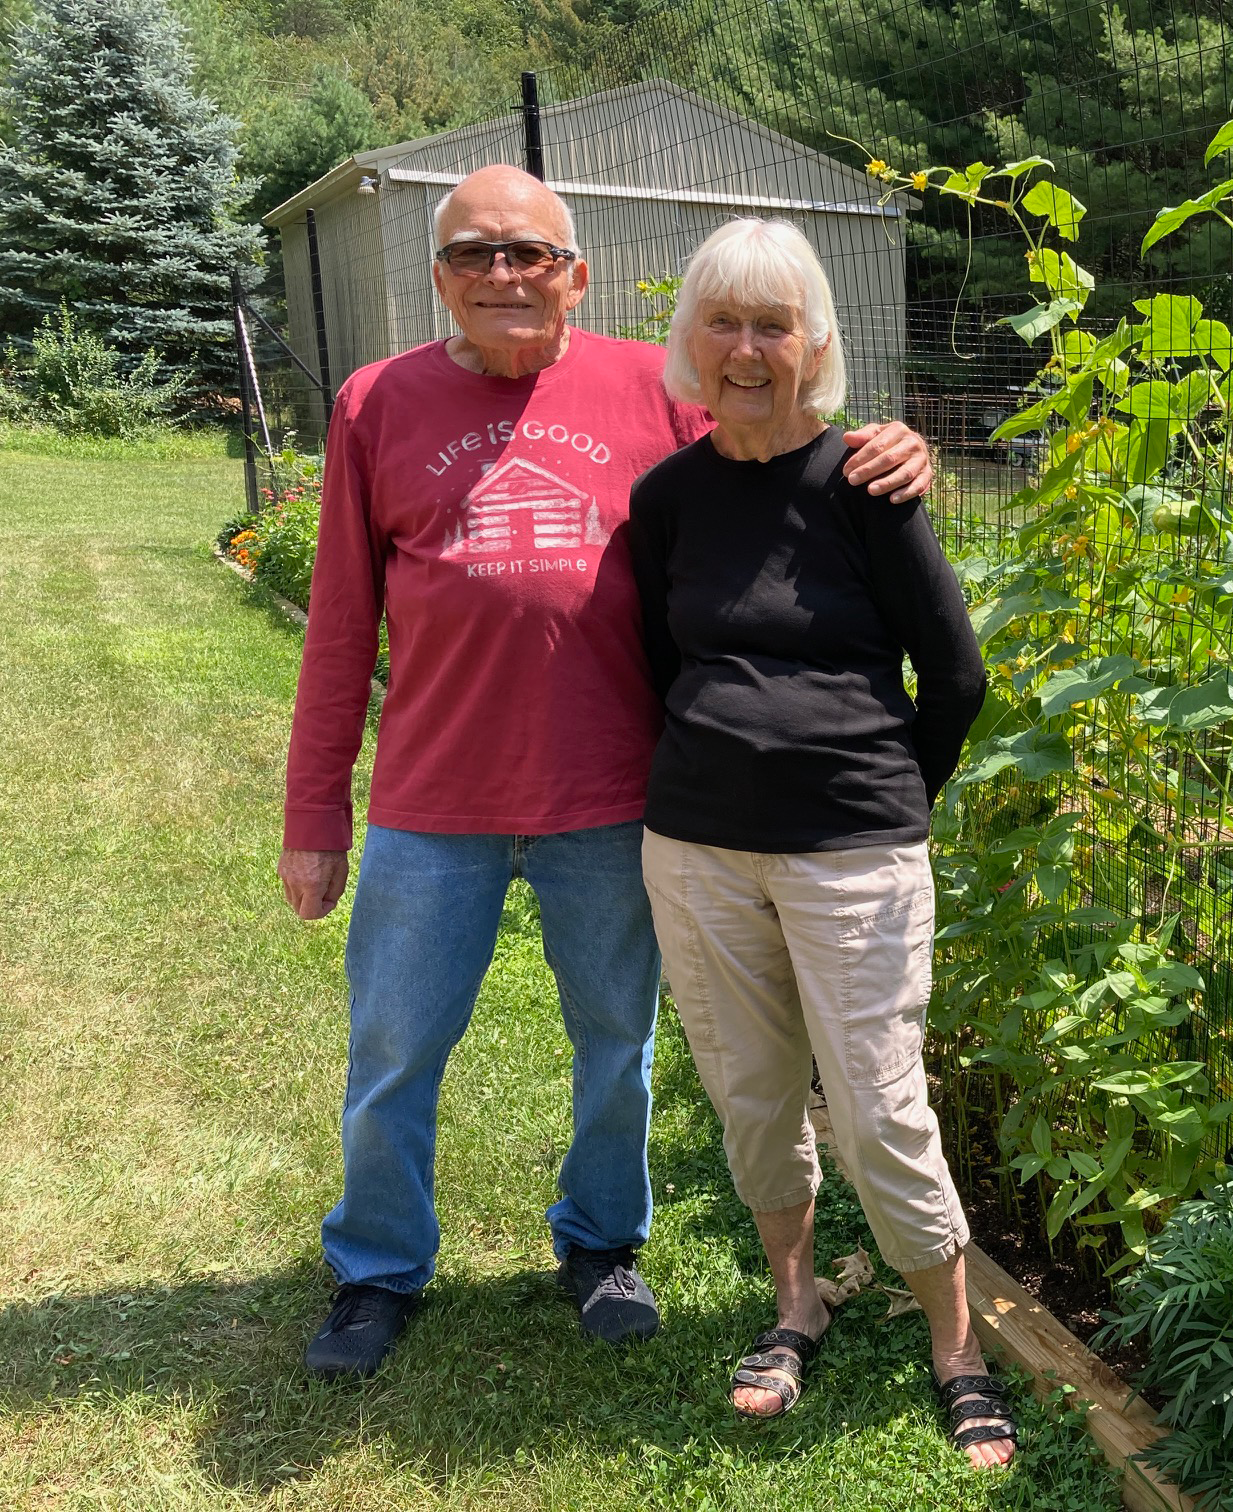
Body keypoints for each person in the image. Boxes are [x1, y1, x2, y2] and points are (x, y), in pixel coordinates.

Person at [277, 163, 936, 1380]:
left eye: (530, 253)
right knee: (393, 1048)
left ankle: (599, 1244)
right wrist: (317, 808)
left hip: (618, 798)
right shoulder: (378, 402)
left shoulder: (657, 385)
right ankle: (375, 1268)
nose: (504, 276)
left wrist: (887, 447)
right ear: (440, 278)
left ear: (574, 272)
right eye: (475, 255)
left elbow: (778, 447)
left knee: (614, 1043)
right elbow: (336, 625)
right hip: (435, 803)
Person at [627, 218, 1016, 1468]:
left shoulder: (868, 482)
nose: (748, 350)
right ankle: (796, 1300)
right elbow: (659, 667)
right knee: (748, 1094)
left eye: (773, 325)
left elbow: (955, 674)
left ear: (815, 345)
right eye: (725, 324)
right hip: (698, 853)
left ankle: (955, 1344)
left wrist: (891, 798)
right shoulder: (667, 499)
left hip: (854, 853)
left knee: (878, 1110)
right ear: (691, 342)